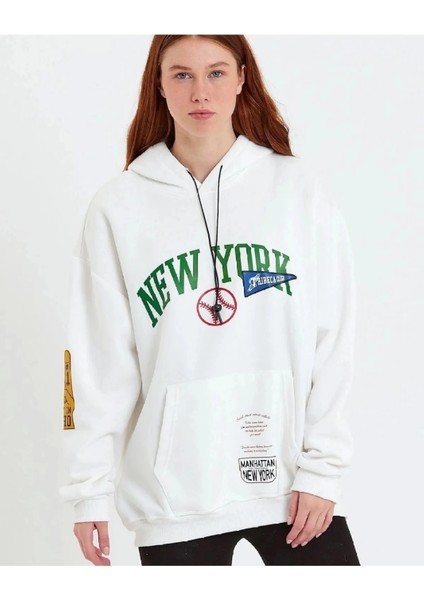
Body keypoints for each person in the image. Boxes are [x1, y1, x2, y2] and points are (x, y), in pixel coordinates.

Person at [60, 34, 361, 566]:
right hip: (174, 498)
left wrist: (323, 468)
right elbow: (96, 361)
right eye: (182, 74)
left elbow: (333, 337)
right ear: (159, 84)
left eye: (216, 72)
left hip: (292, 486)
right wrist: (89, 490)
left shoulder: (298, 190)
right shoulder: (119, 207)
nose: (200, 92)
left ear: (242, 78)